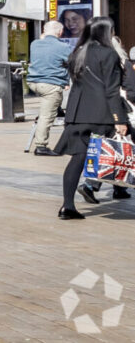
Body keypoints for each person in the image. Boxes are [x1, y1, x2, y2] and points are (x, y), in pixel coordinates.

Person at [58, 16, 132, 219]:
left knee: (78, 159)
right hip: (101, 113)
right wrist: (119, 119)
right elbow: (111, 90)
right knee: (116, 151)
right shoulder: (108, 53)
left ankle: (68, 206)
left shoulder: (77, 52)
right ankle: (113, 187)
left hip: (77, 113)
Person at [29, 20, 72, 156]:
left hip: (33, 82)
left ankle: (57, 109)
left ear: (44, 30)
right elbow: (73, 62)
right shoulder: (63, 47)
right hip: (50, 84)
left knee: (50, 110)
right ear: (60, 32)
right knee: (46, 116)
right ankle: (41, 146)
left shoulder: (34, 44)